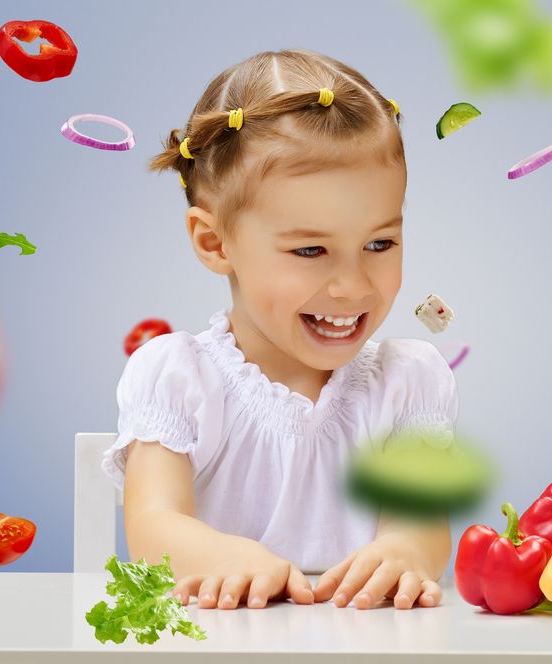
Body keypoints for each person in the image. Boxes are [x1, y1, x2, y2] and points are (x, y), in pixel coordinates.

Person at [101, 49, 458, 611]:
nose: (351, 285)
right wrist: (222, 556)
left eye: (380, 243)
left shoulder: (407, 380)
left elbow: (423, 525)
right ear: (214, 242)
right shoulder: (178, 376)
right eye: (311, 250)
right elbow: (153, 523)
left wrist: (406, 548)